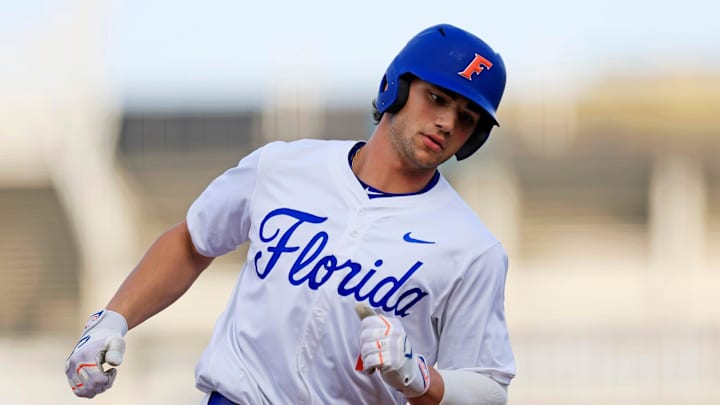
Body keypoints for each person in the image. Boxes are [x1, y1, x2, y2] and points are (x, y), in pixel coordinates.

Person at [64, 23, 516, 404]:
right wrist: (113, 319)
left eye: (467, 116)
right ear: (397, 86)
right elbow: (192, 240)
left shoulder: (473, 249)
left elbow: (488, 384)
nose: (448, 123)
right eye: (437, 98)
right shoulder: (282, 166)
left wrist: (421, 378)